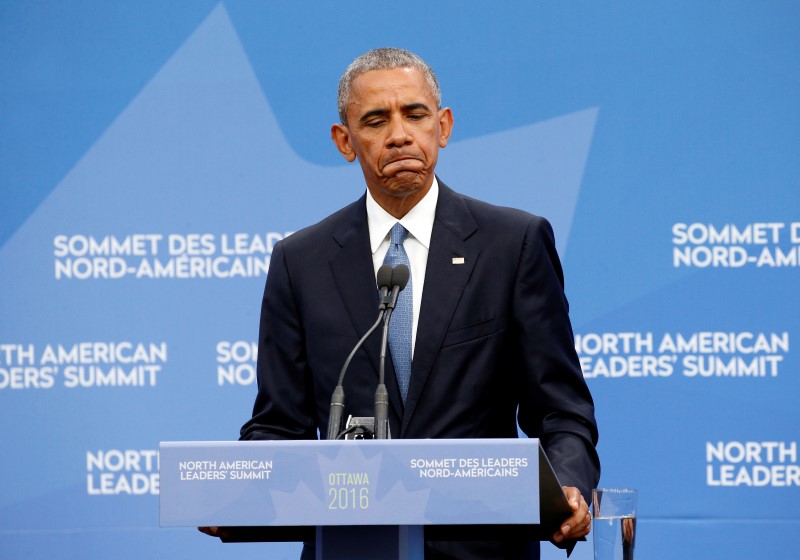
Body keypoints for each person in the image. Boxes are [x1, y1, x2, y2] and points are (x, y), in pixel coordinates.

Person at [205, 48, 599, 560]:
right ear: (344, 141)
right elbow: (279, 424)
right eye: (375, 120)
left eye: (415, 114)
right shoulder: (300, 261)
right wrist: (238, 495)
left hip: (483, 549)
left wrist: (568, 483)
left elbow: (560, 408)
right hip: (350, 547)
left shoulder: (512, 244)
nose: (398, 134)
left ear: (444, 125)